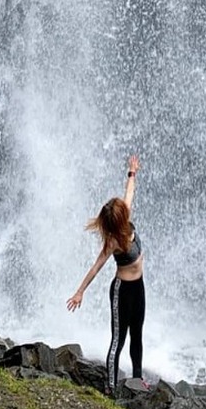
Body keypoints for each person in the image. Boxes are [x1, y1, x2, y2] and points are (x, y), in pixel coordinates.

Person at [67, 153, 148, 396]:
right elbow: (96, 267)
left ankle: (137, 379)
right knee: (118, 340)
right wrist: (80, 292)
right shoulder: (113, 241)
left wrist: (132, 172)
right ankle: (110, 388)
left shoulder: (127, 222)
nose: (126, 209)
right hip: (121, 291)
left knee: (137, 335)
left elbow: (129, 193)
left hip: (138, 287)